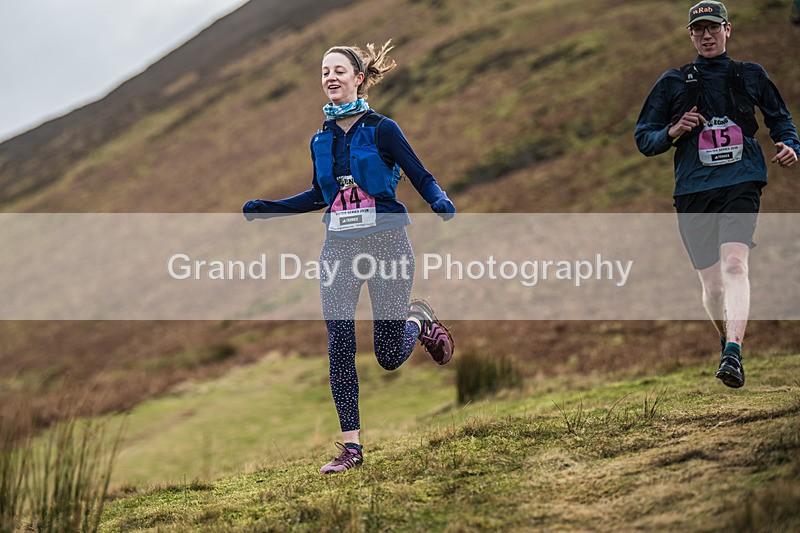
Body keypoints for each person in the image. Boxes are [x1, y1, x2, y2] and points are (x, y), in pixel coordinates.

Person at [243, 41, 456, 473]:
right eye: (325, 72)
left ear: (358, 78)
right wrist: (270, 208)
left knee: (388, 355)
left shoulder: (383, 129)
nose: (330, 77)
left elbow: (420, 174)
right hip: (338, 248)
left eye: (339, 70)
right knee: (338, 342)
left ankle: (418, 321)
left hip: (386, 243)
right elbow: (319, 195)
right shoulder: (320, 139)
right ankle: (352, 449)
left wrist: (438, 199)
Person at [635, 1, 799, 388]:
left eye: (713, 27)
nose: (706, 35)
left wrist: (791, 145)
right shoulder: (673, 82)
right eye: (699, 29)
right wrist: (673, 131)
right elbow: (644, 138)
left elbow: (781, 119)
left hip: (741, 181)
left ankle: (734, 353)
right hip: (693, 190)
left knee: (735, 264)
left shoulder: (751, 74)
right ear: (690, 35)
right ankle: (726, 341)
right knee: (712, 286)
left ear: (728, 29)